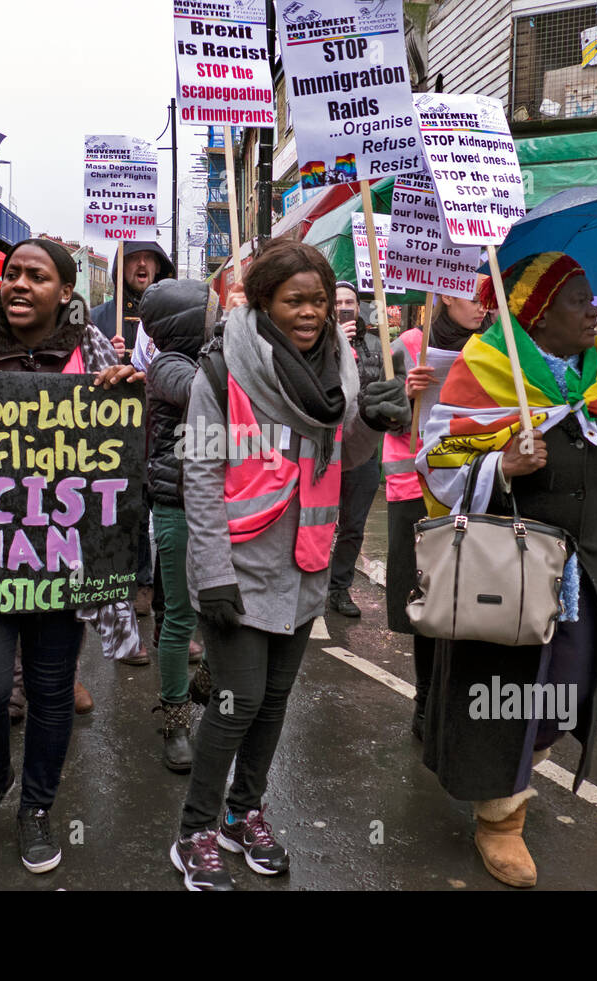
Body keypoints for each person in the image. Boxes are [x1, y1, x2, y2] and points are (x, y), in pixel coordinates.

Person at [416, 252, 597, 888]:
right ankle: (498, 817)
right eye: (579, 299)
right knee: (504, 694)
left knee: (565, 688)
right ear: (539, 313)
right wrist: (501, 468)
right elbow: (438, 464)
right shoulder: (486, 369)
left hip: (579, 568)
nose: (595, 310)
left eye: (593, 298)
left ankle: (519, 776)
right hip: (508, 571)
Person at [170, 239, 409, 890]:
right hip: (236, 564)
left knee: (273, 702)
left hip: (304, 559)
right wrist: (211, 568)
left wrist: (374, 421)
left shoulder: (342, 366)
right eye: (294, 299)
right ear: (267, 303)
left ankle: (244, 814)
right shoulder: (219, 371)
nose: (310, 312)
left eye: (320, 301)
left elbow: (348, 454)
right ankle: (194, 830)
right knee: (236, 699)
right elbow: (199, 474)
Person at [0, 237, 138, 871]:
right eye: (12, 273)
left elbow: (123, 444)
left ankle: (37, 805)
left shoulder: (91, 349)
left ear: (66, 292)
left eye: (36, 276)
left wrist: (132, 389)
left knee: (50, 689)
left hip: (59, 559)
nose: (19, 284)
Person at [386, 280, 489, 738]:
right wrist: (405, 394)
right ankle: (425, 700)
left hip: (472, 486)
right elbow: (377, 414)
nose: (482, 309)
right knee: (424, 598)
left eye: (489, 301)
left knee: (466, 598)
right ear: (446, 295)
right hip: (415, 487)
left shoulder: (493, 347)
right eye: (474, 298)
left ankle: (456, 698)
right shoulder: (409, 345)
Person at [141, 278, 222, 771]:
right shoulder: (170, 365)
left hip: (219, 504)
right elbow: (203, 395)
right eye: (211, 311)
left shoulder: (204, 358)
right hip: (178, 506)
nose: (218, 316)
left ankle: (205, 684)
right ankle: (174, 718)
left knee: (223, 609)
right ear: (187, 323)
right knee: (179, 618)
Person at [90, 241, 175, 639]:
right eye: (134, 258)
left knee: (171, 514)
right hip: (118, 437)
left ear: (159, 266)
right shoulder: (97, 318)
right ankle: (137, 584)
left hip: (168, 431)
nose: (142, 264)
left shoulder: (175, 314)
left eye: (149, 258)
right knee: (132, 513)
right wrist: (107, 360)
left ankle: (166, 600)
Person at [326, 281, 384, 618]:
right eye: (338, 303)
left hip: (363, 447)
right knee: (319, 521)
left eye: (349, 301)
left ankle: (340, 587)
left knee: (354, 524)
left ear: (358, 308)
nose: (344, 307)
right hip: (326, 448)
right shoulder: (321, 344)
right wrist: (337, 346)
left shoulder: (377, 345)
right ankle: (314, 583)